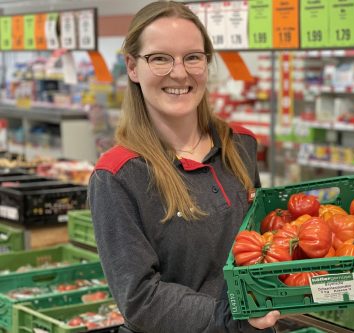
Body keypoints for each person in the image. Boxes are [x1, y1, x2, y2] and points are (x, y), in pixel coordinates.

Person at [88, 2, 280, 332]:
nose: (180, 72)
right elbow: (140, 299)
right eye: (160, 58)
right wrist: (231, 319)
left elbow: (258, 243)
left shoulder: (240, 144)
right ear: (133, 67)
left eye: (192, 57)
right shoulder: (118, 175)